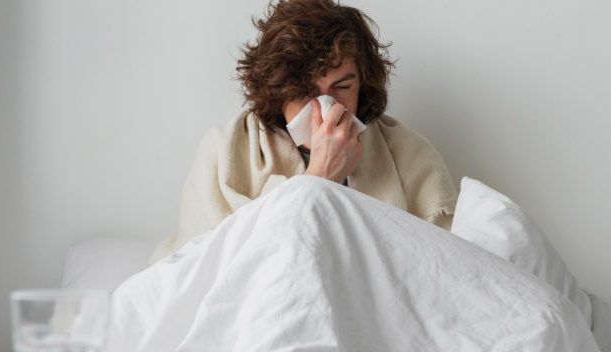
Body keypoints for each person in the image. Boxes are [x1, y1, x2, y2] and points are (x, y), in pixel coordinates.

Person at [151, 0, 457, 262]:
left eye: (342, 86)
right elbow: (204, 272)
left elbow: (440, 269)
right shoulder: (223, 153)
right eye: (304, 92)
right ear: (277, 91)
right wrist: (322, 175)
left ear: (362, 86)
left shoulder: (411, 156)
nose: (325, 106)